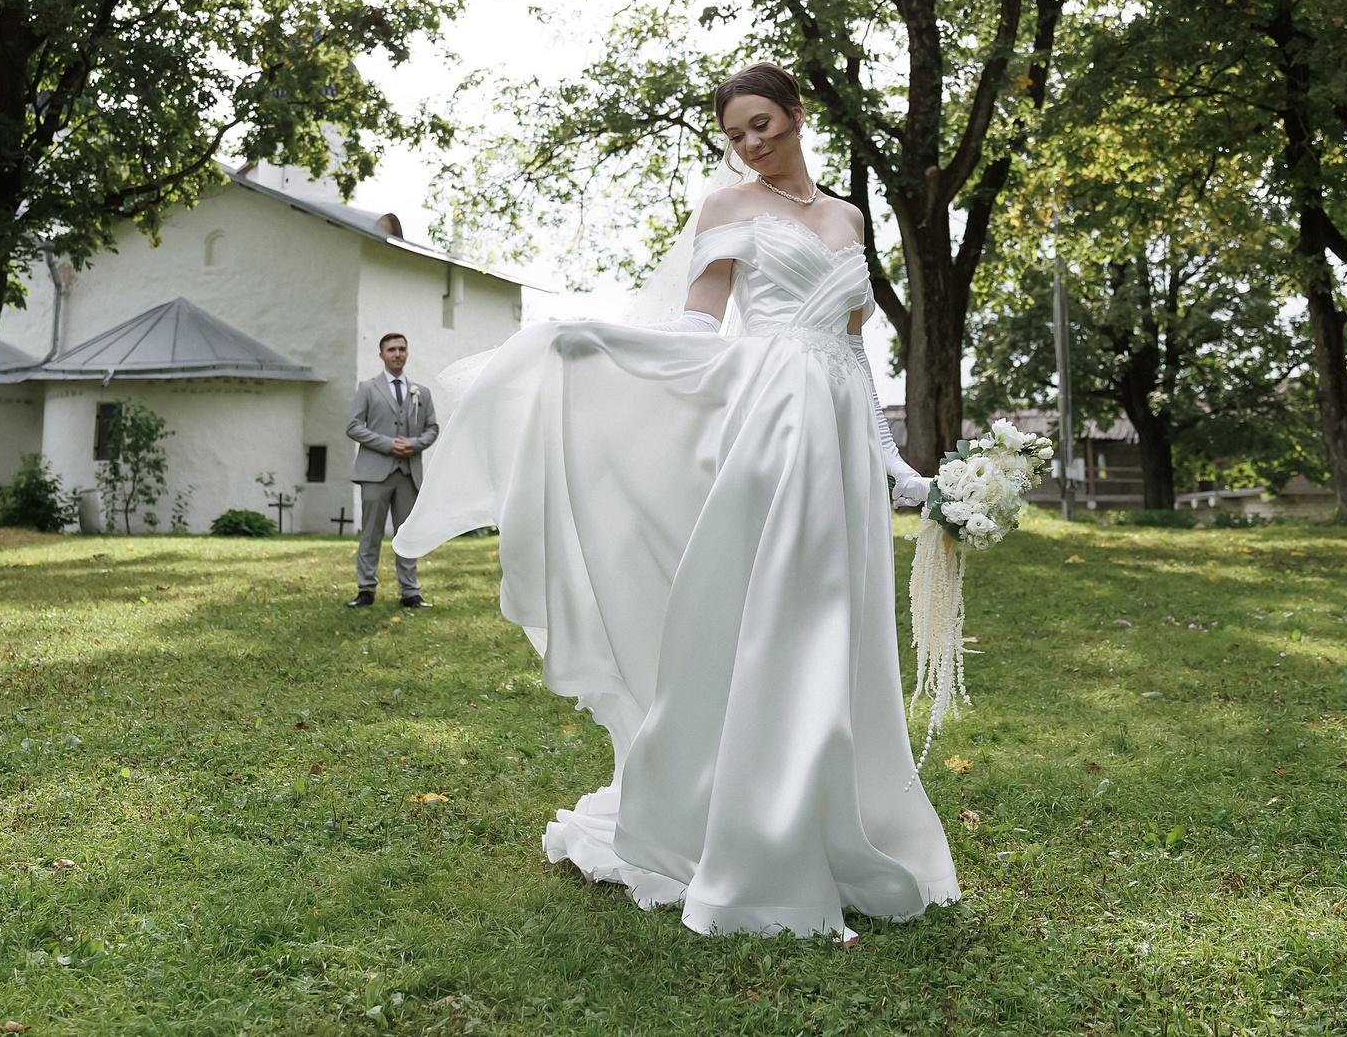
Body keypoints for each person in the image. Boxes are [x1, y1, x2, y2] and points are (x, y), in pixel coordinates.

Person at [395, 62, 957, 940]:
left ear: (798, 114)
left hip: (840, 437)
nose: (751, 144)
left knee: (838, 619)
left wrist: (900, 467)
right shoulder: (728, 208)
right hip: (771, 422)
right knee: (781, 617)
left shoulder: (849, 216)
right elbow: (701, 325)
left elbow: (853, 356)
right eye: (736, 134)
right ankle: (756, 845)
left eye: (763, 123)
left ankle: (830, 821)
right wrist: (609, 343)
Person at [346, 331, 439, 609]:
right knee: (371, 533)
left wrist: (413, 444)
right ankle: (366, 590)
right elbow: (353, 427)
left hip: (408, 475)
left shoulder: (421, 392)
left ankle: (410, 591)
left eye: (402, 349)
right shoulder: (367, 388)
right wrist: (388, 444)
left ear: (407, 353)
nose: (397, 354)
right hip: (375, 473)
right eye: (391, 350)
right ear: (381, 355)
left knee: (407, 533)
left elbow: (432, 428)